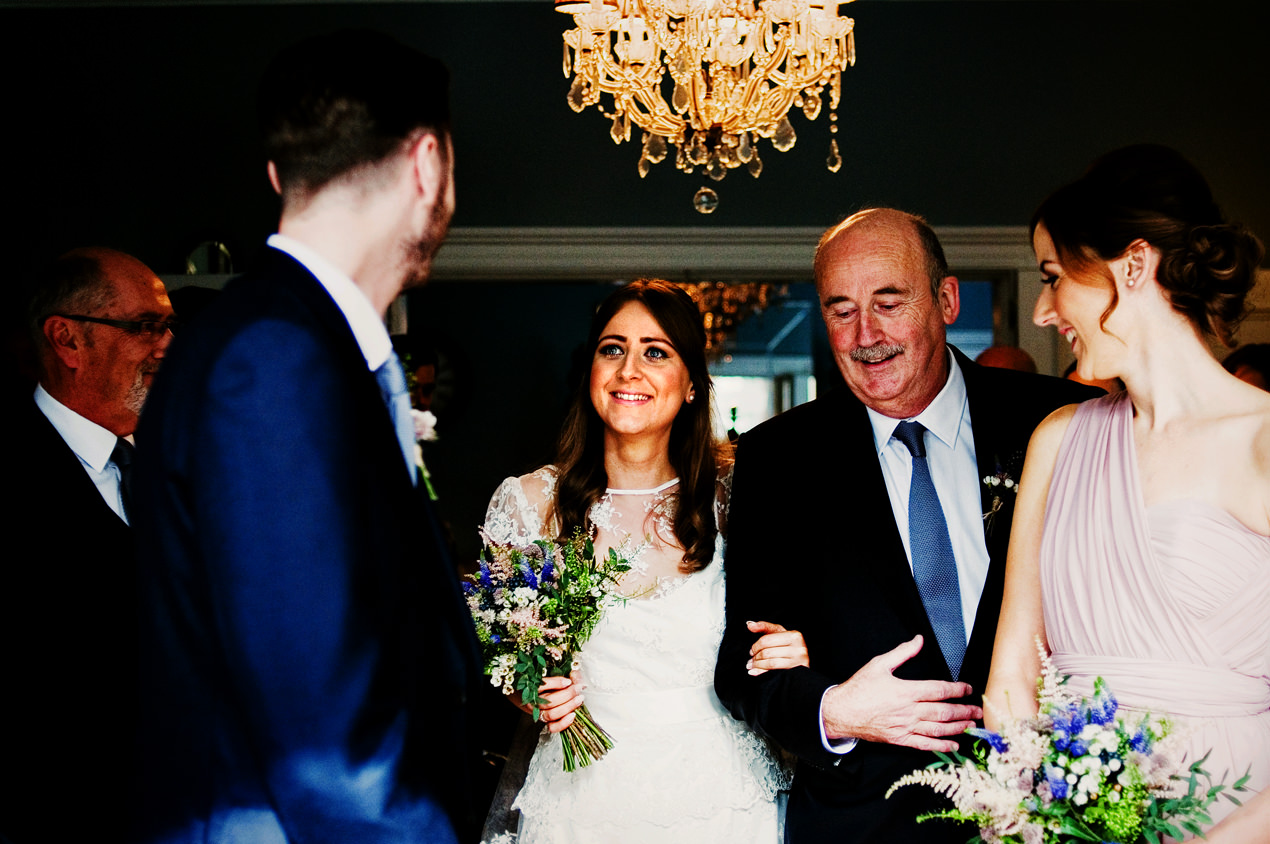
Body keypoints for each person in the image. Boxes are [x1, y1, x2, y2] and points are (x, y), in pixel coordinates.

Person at [131, 31, 481, 844]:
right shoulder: (274, 361)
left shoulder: (285, 343)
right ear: (427, 165)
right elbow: (327, 749)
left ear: (279, 175)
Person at [714, 208, 1099, 844]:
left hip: (1052, 814)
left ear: (946, 299)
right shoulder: (778, 458)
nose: (866, 333)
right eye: (841, 310)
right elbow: (742, 661)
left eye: (889, 302)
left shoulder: (1060, 423)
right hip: (864, 821)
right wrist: (832, 710)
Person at [985, 144, 1270, 839]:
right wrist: (1026, 823)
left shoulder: (1262, 440)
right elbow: (1012, 679)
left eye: (1055, 278)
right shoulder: (1058, 440)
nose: (1046, 311)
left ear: (1133, 265)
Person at [482, 279, 809, 843]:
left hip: (720, 795)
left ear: (689, 386)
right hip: (581, 795)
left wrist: (800, 645)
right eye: (613, 349)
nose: (629, 370)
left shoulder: (734, 496)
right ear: (591, 372)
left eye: (656, 352)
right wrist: (532, 691)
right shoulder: (531, 504)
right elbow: (507, 662)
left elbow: (794, 615)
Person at [2, 247, 173, 844]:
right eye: (145, 326)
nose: (165, 345)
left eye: (168, 326)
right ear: (67, 341)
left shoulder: (181, 466)